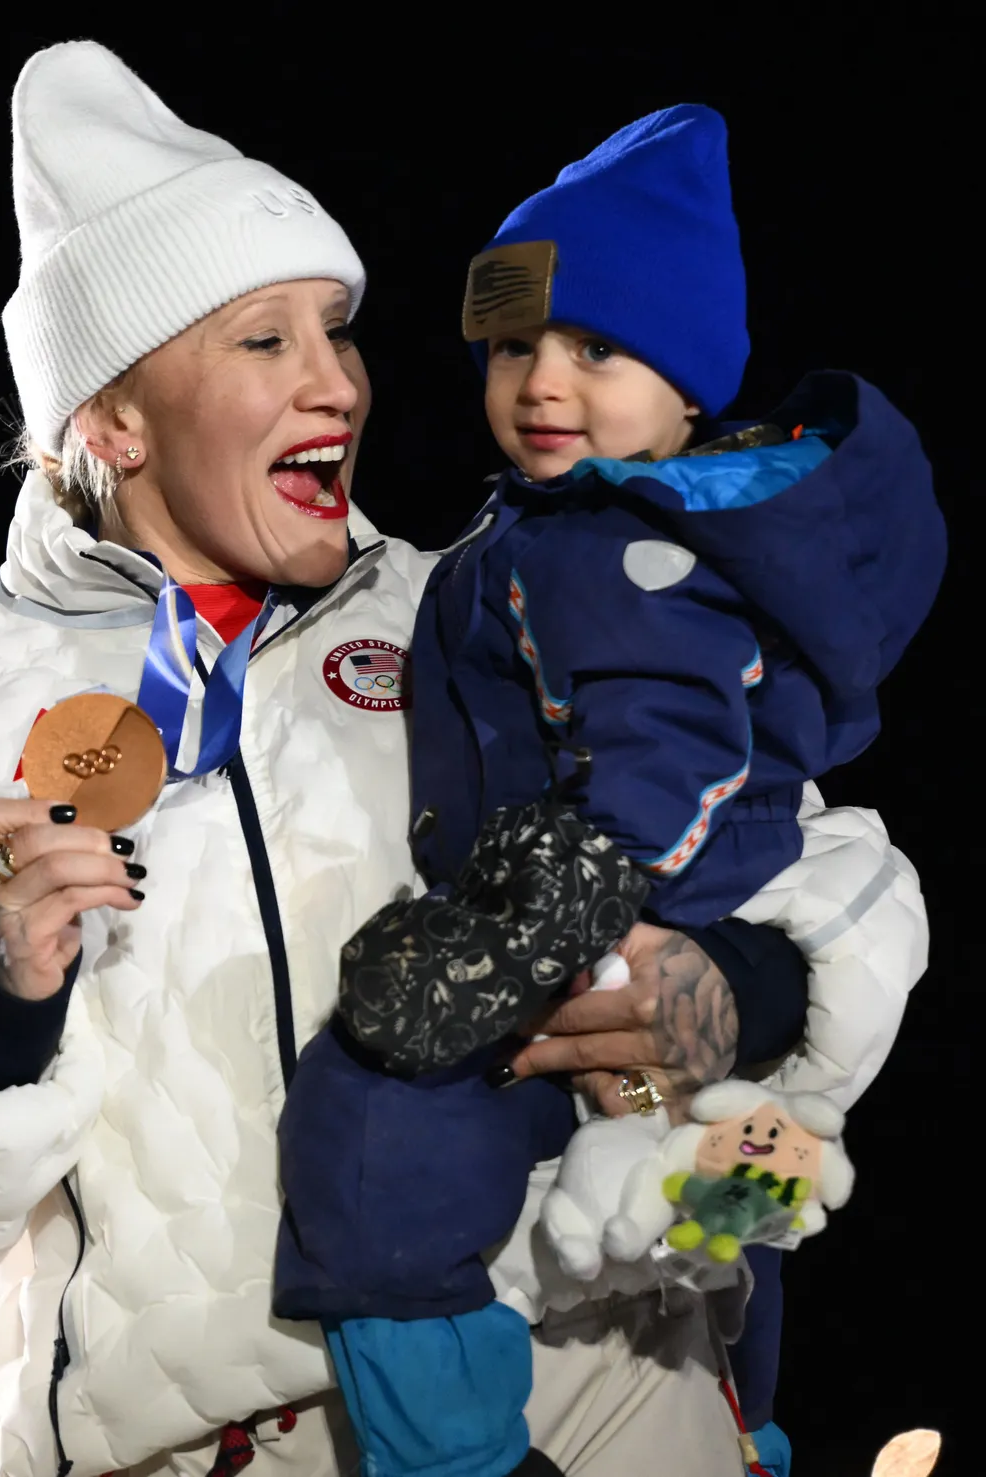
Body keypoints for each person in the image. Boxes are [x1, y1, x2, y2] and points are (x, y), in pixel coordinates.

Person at [0, 44, 928, 1477]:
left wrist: (732, 993)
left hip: (610, 1396)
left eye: (337, 330)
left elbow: (838, 872)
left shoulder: (479, 603)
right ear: (107, 415)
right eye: (262, 341)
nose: (338, 384)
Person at [274, 106, 943, 1477]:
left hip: (630, 880)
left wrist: (557, 902)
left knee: (377, 1103)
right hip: (646, 881)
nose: (542, 383)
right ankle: (755, 1423)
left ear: (690, 385)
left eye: (599, 348)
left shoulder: (609, 543)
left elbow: (670, 747)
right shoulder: (578, 525)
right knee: (715, 1185)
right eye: (514, 344)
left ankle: (452, 1447)